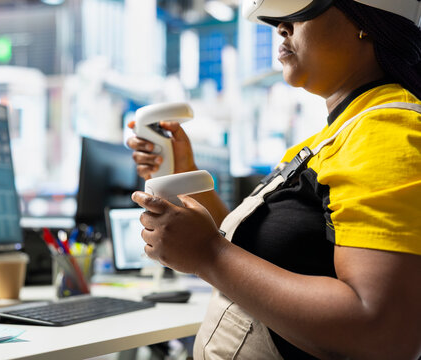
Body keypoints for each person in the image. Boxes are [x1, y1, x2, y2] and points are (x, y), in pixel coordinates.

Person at [126, 0, 421, 359]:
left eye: (299, 13)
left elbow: (381, 330)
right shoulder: (330, 138)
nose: (281, 26)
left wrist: (209, 255)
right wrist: (183, 169)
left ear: (368, 24)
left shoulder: (387, 131)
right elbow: (261, 254)